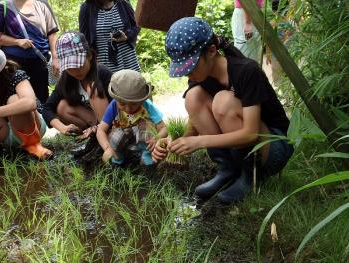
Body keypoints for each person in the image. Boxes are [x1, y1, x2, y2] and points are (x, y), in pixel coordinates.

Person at [152, 17, 294, 204]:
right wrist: (172, 141)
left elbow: (251, 134)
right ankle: (228, 169)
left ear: (211, 51)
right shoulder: (200, 76)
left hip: (273, 146)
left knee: (223, 101)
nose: (188, 73)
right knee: (193, 97)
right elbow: (194, 123)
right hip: (247, 143)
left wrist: (200, 142)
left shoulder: (246, 72)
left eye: (190, 66)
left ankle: (250, 176)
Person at [42, 31, 112, 158]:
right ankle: (90, 135)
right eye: (70, 67)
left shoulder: (102, 73)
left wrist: (101, 126)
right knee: (61, 106)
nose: (75, 71)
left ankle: (104, 136)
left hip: (110, 121)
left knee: (93, 88)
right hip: (90, 120)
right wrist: (62, 127)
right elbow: (47, 108)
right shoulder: (66, 80)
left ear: (89, 56)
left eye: (79, 65)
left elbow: (118, 105)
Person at [97, 69, 167, 166]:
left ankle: (147, 159)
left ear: (142, 100)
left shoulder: (147, 106)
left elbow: (163, 127)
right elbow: (101, 130)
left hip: (143, 139)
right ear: (115, 99)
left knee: (146, 129)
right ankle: (118, 160)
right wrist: (107, 148)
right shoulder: (114, 105)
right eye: (122, 104)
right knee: (114, 138)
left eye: (134, 104)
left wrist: (157, 138)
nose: (128, 108)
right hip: (123, 138)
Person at [0, 0, 59, 103]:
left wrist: (55, 58)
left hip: (40, 61)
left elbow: (52, 33)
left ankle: (42, 119)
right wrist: (17, 42)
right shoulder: (3, 6)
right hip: (13, 64)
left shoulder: (42, 4)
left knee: (42, 97)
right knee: (15, 98)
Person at [0, 49, 52, 159]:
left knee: (14, 100)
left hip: (30, 127)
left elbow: (30, 103)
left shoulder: (14, 75)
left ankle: (33, 145)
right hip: (5, 133)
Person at [79, 0, 140, 73]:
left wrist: (127, 36)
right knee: (111, 83)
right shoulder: (87, 8)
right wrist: (91, 60)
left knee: (132, 82)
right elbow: (84, 39)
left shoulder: (123, 2)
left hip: (128, 58)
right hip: (104, 61)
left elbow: (136, 25)